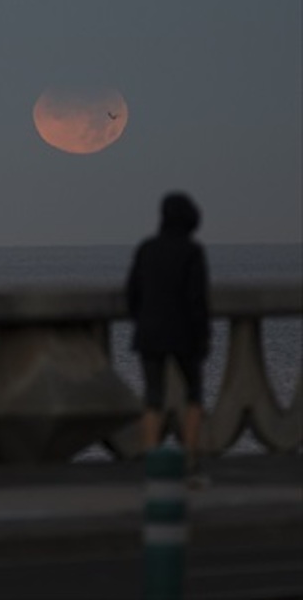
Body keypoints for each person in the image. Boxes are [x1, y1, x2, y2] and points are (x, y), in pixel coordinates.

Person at [125, 192, 210, 486]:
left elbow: (132, 294)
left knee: (153, 397)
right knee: (195, 394)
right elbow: (198, 301)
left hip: (149, 333)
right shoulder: (192, 252)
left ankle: (150, 458)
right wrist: (203, 338)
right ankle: (190, 458)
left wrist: (143, 320)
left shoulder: (147, 249)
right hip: (184, 333)